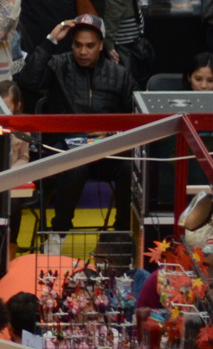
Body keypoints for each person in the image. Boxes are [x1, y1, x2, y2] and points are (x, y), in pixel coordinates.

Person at [15, 15, 137, 231]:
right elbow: (27, 80)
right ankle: (58, 232)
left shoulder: (119, 75)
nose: (83, 52)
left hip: (105, 149)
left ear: (101, 46)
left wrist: (111, 131)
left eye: (90, 46)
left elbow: (133, 118)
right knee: (76, 165)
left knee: (128, 167)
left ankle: (122, 233)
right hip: (64, 149)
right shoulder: (59, 64)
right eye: (78, 45)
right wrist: (51, 40)